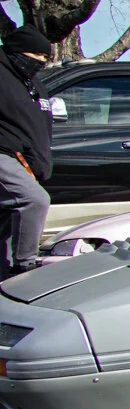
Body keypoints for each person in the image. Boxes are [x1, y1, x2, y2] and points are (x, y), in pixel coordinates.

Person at [0, 24, 54, 277]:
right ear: (18, 51)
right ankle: (25, 265)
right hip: (4, 153)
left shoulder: (32, 83)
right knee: (34, 200)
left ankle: (4, 273)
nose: (41, 61)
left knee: (7, 219)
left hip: (25, 159)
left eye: (45, 57)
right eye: (36, 55)